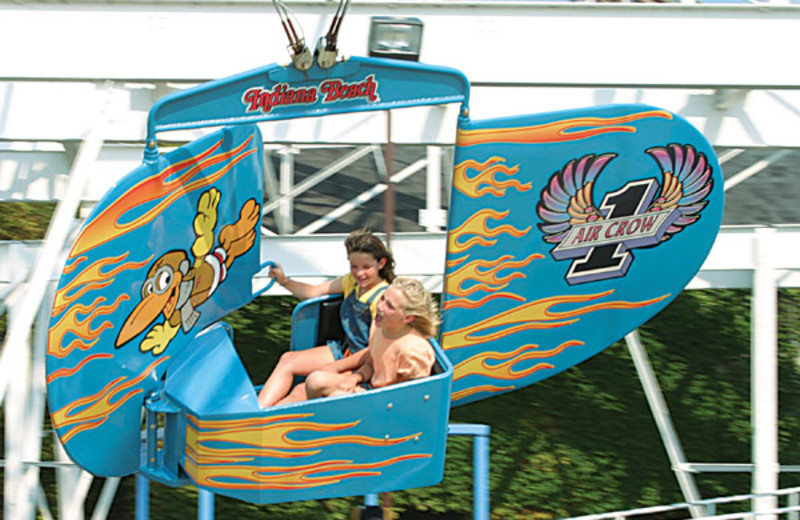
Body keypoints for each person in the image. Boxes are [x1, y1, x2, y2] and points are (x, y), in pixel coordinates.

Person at [257, 228, 395, 408]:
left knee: (301, 390)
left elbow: (371, 350)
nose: (359, 273)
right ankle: (258, 411)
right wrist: (284, 281)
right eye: (354, 267)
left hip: (363, 362)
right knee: (288, 359)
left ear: (381, 264)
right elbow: (313, 292)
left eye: (366, 267)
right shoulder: (352, 282)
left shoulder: (381, 299)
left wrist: (335, 367)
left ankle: (266, 422)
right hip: (346, 348)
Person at [304, 277, 439, 399]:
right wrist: (355, 378)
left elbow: (411, 398)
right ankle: (315, 420)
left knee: (337, 397)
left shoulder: (414, 351)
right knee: (315, 380)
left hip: (386, 402)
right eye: (382, 298)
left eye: (389, 306)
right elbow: (371, 363)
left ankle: (326, 423)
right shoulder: (381, 327)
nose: (380, 307)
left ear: (408, 318)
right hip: (370, 388)